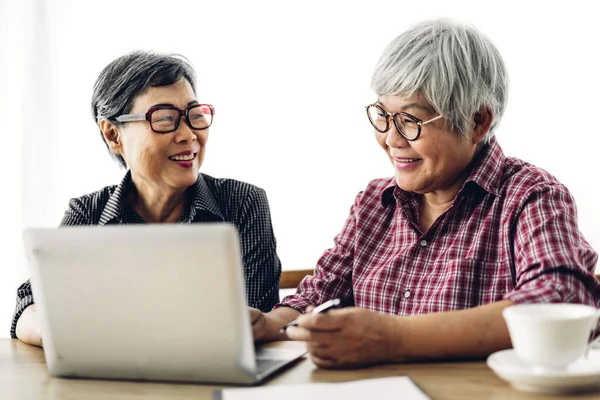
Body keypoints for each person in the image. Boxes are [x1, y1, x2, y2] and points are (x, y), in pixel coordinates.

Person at [250, 19, 600, 368]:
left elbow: (559, 303)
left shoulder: (531, 196)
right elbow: (319, 293)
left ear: (478, 121)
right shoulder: (374, 202)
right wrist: (268, 324)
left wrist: (393, 338)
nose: (391, 139)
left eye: (410, 121)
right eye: (383, 116)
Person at [12, 51, 282, 347]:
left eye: (194, 116)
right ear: (113, 135)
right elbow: (28, 306)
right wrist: (61, 332)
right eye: (165, 120)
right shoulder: (89, 213)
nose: (188, 135)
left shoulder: (243, 203)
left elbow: (257, 320)